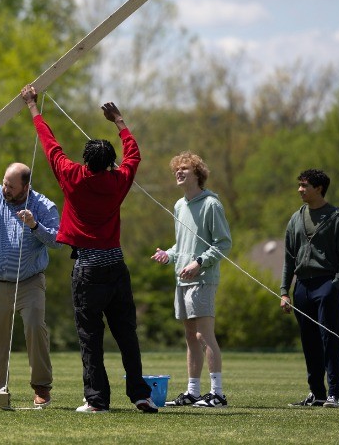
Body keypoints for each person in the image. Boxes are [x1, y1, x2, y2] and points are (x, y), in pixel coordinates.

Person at [20, 84, 158, 414]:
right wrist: (119, 121)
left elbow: (50, 145)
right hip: (116, 268)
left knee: (90, 337)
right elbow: (134, 155)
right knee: (127, 334)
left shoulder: (73, 176)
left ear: (86, 161)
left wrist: (33, 107)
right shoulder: (119, 180)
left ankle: (97, 400)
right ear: (111, 163)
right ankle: (141, 395)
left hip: (87, 270)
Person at [0, 133, 62, 406]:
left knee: (34, 328)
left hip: (30, 282)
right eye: (5, 183)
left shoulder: (44, 206)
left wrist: (34, 226)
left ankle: (41, 386)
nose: (6, 189)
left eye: (11, 186)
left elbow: (58, 241)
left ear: (26, 187)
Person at [151, 151, 232, 408]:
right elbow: (182, 244)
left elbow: (223, 243)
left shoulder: (211, 204)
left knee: (203, 335)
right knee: (189, 336)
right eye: (177, 168)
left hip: (203, 278)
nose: (179, 172)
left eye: (185, 168)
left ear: (198, 174)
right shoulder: (178, 205)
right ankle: (193, 392)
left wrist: (199, 262)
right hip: (182, 280)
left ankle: (217, 393)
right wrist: (169, 254)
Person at [281, 169, 339, 408]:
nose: (300, 190)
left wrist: (334, 285)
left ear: (319, 188)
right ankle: (317, 393)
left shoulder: (338, 218)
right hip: (301, 287)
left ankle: (334, 394)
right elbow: (289, 259)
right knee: (309, 341)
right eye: (300, 185)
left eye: (304, 185)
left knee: (329, 340)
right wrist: (284, 291)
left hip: (327, 284)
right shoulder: (295, 218)